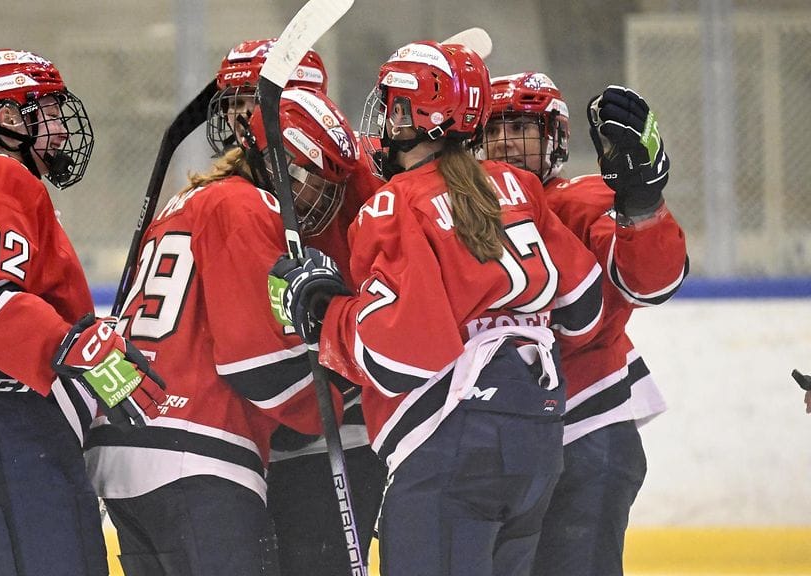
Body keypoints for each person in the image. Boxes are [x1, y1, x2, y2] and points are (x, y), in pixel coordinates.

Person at [271, 41, 605, 576]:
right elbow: (584, 309)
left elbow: (403, 358)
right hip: (538, 437)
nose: (383, 119)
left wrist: (327, 314)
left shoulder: (394, 202)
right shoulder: (518, 185)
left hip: (453, 440)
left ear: (411, 116)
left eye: (390, 106)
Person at [0, 49, 166, 576]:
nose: (62, 130)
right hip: (5, 414)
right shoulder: (0, 176)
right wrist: (72, 345)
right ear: (10, 118)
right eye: (48, 111)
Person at [84, 88, 358, 576]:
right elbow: (256, 365)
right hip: (198, 452)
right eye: (309, 176)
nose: (318, 195)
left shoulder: (187, 203)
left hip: (127, 444)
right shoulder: (246, 207)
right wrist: (342, 393)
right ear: (271, 159)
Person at [484, 72, 688, 576]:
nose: (507, 141)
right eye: (494, 129)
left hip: (586, 432)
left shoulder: (584, 199)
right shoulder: (461, 212)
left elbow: (649, 283)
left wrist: (641, 206)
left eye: (523, 127)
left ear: (553, 139)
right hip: (503, 444)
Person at [207, 38, 389, 576]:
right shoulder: (239, 192)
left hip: (339, 416)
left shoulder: (353, 175)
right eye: (236, 102)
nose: (244, 116)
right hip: (268, 425)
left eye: (255, 100)